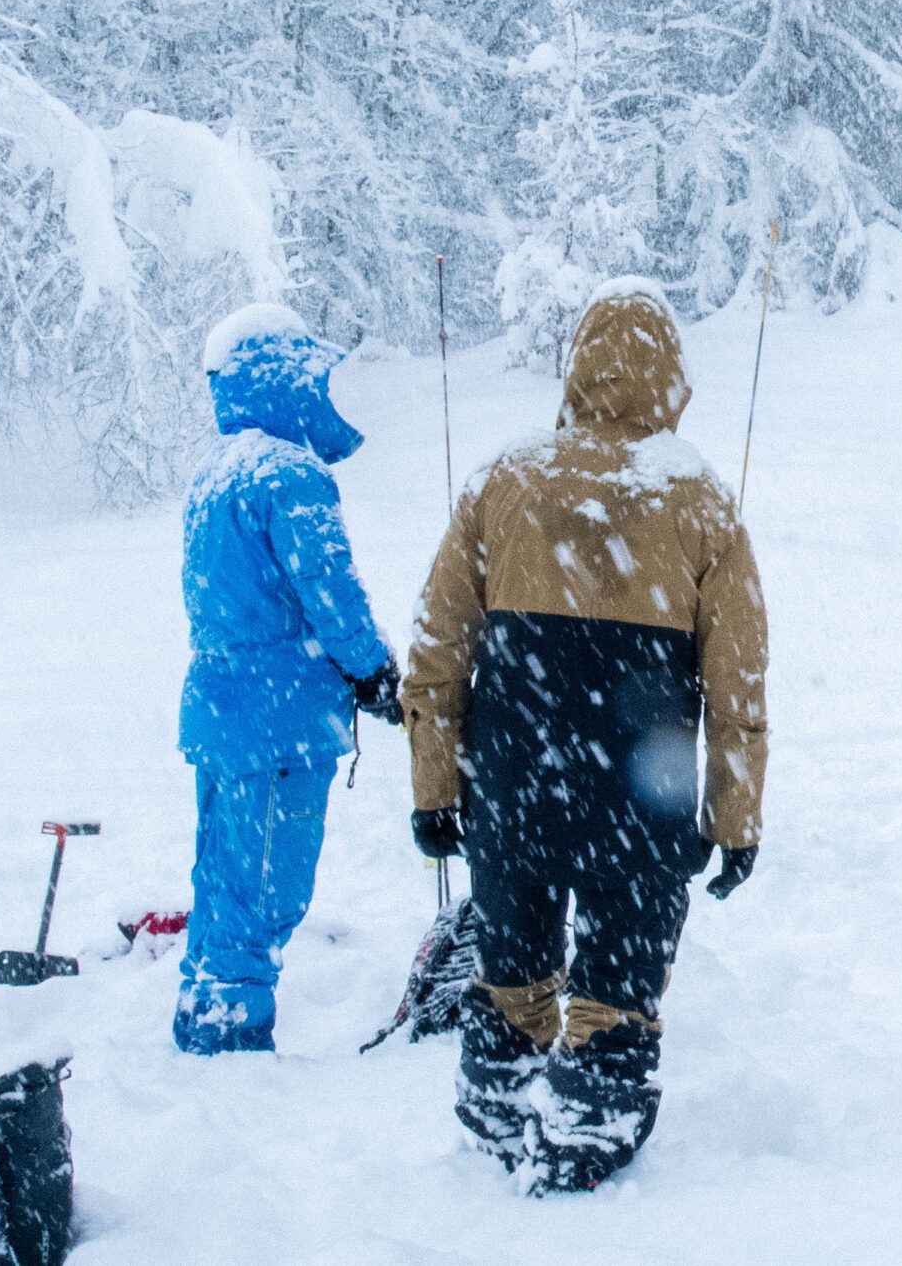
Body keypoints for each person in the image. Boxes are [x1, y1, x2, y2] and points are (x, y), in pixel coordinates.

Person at [400, 282, 768, 1193]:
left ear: (578, 367)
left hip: (514, 785)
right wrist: (737, 814)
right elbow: (738, 683)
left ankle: (495, 1121)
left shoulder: (501, 479)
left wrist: (435, 786)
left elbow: (437, 651)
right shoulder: (701, 501)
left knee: (512, 972)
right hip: (642, 797)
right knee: (615, 986)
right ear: (672, 380)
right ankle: (584, 1141)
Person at [174, 304, 397, 1055]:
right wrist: (375, 670)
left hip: (222, 713)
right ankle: (231, 1037)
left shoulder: (213, 474)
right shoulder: (290, 475)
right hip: (280, 722)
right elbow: (329, 589)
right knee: (267, 886)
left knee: (222, 877)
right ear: (279, 383)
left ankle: (201, 1009)